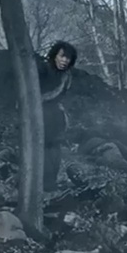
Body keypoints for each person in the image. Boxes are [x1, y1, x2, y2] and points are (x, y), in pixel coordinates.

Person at [38, 41, 77, 193]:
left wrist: (63, 115)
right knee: (43, 149)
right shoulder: (42, 69)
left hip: (55, 117)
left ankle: (51, 182)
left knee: (55, 149)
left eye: (68, 58)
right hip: (40, 115)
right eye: (62, 56)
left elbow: (61, 98)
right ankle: (45, 184)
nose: (64, 60)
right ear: (55, 55)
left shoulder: (67, 76)